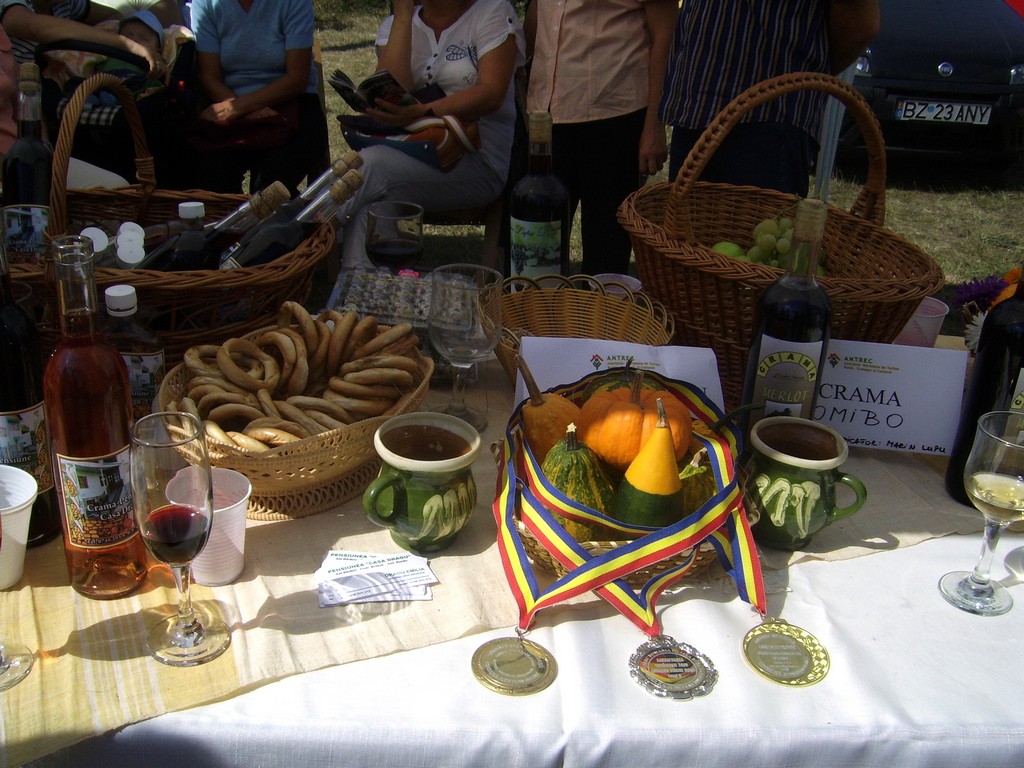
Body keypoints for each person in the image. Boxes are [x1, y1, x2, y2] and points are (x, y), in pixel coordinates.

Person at [330, 0, 525, 279]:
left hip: (477, 162)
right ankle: (359, 304)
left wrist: (424, 111)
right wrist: (403, 15)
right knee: (372, 206)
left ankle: (305, 232)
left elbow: (491, 93)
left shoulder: (492, 12)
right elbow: (395, 87)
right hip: (409, 154)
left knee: (372, 164)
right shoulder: (398, 24)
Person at [661, 0, 881, 194]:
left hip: (769, 122)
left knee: (757, 237)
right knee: (682, 237)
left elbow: (860, 24)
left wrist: (802, 78)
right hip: (694, 110)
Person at [524, 0, 676, 276]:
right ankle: (536, 316)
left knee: (606, 253)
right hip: (546, 115)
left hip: (614, 114)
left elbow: (665, 36)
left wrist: (654, 125)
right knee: (537, 251)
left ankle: (601, 317)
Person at [189, 0, 329, 196]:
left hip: (291, 101)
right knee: (212, 181)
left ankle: (282, 222)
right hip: (229, 102)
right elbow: (208, 76)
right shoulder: (206, 3)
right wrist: (245, 109)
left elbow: (297, 79)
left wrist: (241, 107)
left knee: (271, 189)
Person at [0, 0, 164, 77]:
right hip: (15, 101)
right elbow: (32, 27)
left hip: (59, 97)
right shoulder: (11, 4)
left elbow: (113, 17)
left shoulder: (66, 3)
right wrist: (126, 44)